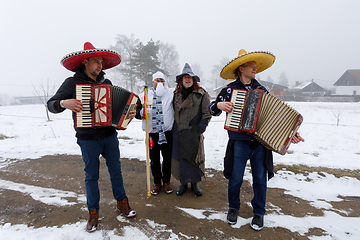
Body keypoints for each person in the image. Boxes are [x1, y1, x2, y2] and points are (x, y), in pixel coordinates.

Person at [209, 49, 304, 231]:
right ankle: (233, 207)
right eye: (251, 66)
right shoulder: (229, 90)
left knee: (260, 179)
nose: (255, 69)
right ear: (241, 69)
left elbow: (275, 117)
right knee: (236, 178)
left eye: (255, 66)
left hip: (260, 143)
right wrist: (219, 104)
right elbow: (212, 109)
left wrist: (291, 134)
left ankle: (259, 212)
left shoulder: (262, 90)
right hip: (239, 141)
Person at [47, 42, 137, 233]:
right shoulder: (72, 83)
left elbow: (119, 110)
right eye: (96, 62)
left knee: (116, 171)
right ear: (85, 62)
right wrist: (65, 102)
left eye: (101, 62)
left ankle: (122, 203)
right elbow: (51, 104)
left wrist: (128, 114)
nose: (100, 66)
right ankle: (93, 213)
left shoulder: (107, 84)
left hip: (109, 136)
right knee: (91, 176)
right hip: (87, 139)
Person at [172, 63, 212, 196]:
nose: (187, 80)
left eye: (190, 77)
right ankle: (183, 184)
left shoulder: (201, 94)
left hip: (194, 133)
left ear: (193, 80)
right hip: (180, 133)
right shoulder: (176, 95)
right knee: (182, 160)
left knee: (195, 159)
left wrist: (201, 127)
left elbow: (207, 113)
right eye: (185, 78)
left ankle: (195, 184)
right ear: (181, 80)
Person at [135, 71, 175, 195]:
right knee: (154, 159)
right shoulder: (144, 96)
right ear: (153, 82)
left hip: (167, 133)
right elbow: (135, 112)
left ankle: (166, 182)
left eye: (162, 81)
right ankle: (157, 182)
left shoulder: (171, 93)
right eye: (157, 80)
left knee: (167, 159)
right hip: (152, 134)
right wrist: (142, 112)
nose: (160, 83)